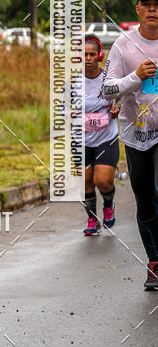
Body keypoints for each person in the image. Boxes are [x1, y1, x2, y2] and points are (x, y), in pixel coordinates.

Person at [102, 0, 158, 289]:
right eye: (146, 4)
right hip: (137, 136)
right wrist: (136, 76)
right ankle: (154, 262)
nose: (153, 9)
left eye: (157, 5)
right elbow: (106, 90)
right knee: (146, 199)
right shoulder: (123, 46)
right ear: (137, 9)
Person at [81, 35, 120, 235]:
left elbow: (122, 97)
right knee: (86, 180)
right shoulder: (73, 84)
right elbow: (62, 109)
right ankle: (91, 220)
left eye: (92, 54)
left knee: (102, 181)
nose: (88, 58)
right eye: (84, 54)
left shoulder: (108, 80)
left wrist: (117, 108)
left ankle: (108, 203)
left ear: (99, 56)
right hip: (82, 140)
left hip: (106, 137)